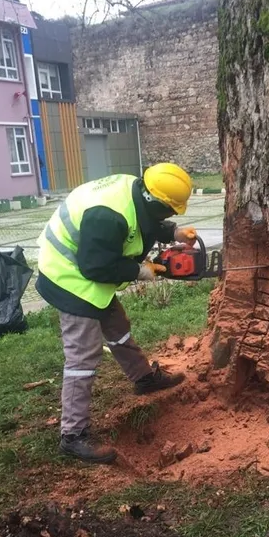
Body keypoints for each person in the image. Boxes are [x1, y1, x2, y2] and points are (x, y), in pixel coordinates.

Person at [36, 163, 197, 464]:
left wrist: (173, 232)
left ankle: (144, 378)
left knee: (117, 325)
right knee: (82, 356)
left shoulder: (137, 189)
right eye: (171, 212)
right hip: (69, 276)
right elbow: (96, 267)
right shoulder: (107, 215)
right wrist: (141, 271)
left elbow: (142, 222)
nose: (173, 215)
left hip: (89, 270)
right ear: (156, 200)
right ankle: (73, 436)